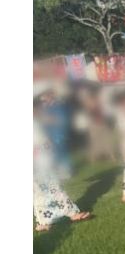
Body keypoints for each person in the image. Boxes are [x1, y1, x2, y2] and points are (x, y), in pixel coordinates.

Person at [33, 92, 92, 231]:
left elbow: (45, 136)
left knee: (51, 188)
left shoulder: (36, 121)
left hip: (43, 161)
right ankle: (47, 220)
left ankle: (64, 215)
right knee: (41, 191)